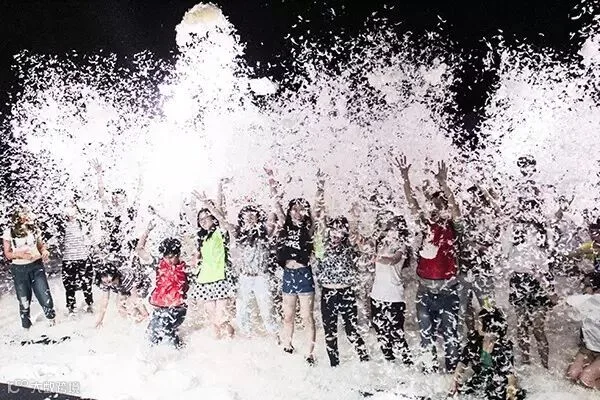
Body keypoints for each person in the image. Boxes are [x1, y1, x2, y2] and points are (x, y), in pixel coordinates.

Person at [392, 154, 461, 373]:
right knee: (426, 334)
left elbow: (455, 208)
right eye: (433, 205)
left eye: (440, 206)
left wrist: (444, 184)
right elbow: (411, 204)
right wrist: (405, 178)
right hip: (424, 289)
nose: (435, 209)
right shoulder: (425, 226)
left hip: (448, 289)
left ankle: (452, 373)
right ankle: (430, 372)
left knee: (450, 335)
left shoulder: (453, 226)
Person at [194, 183, 279, 339]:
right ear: (241, 218)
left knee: (267, 312)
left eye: (252, 214)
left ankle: (276, 339)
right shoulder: (238, 233)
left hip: (262, 277)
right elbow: (221, 218)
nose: (249, 217)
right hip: (244, 278)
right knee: (242, 314)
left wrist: (272, 185)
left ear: (258, 217)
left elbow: (274, 213)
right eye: (246, 215)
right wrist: (207, 204)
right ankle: (247, 341)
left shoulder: (265, 232)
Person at [505, 155, 555, 369]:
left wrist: (547, 284)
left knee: (537, 327)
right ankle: (526, 362)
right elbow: (505, 254)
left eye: (531, 206)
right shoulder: (514, 229)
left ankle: (545, 366)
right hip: (519, 278)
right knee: (522, 325)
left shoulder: (544, 229)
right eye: (525, 207)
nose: (528, 210)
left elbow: (550, 256)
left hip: (539, 280)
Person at [314, 175, 369, 367]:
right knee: (329, 332)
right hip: (328, 293)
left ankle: (365, 359)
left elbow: (355, 224)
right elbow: (319, 216)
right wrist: (320, 187)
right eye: (333, 229)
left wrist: (355, 190)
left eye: (340, 230)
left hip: (346, 292)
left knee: (351, 331)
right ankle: (334, 365)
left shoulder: (349, 248)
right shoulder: (321, 246)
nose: (336, 233)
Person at [267, 168, 317, 365]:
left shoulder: (309, 228)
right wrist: (271, 179)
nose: (297, 212)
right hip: (288, 274)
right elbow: (276, 203)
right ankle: (287, 346)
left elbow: (318, 209)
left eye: (301, 209)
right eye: (293, 209)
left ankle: (310, 353)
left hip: (304, 274)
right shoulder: (285, 226)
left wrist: (321, 186)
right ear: (289, 212)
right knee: (287, 316)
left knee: (306, 317)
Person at [449, 306, 526, 400]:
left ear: (489, 325)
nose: (476, 325)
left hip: (498, 383)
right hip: (480, 380)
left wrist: (510, 393)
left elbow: (510, 374)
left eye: (479, 323)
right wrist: (455, 381)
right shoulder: (474, 341)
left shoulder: (504, 346)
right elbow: (462, 362)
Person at [190, 190, 237, 339]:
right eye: (200, 219)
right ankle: (217, 342)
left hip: (220, 279)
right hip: (204, 280)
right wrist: (195, 260)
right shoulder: (202, 238)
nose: (203, 221)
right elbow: (198, 258)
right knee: (212, 318)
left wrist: (207, 202)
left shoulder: (220, 232)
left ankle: (231, 339)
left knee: (220, 317)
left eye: (206, 217)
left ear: (213, 218)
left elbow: (221, 214)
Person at [2, 206, 56, 329]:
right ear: (17, 216)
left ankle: (52, 322)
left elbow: (41, 246)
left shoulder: (34, 228)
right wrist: (20, 255)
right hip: (19, 270)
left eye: (27, 214)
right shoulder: (9, 232)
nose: (26, 217)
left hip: (36, 266)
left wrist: (44, 251)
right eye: (23, 214)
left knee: (45, 295)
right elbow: (7, 253)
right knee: (24, 300)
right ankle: (26, 327)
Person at [94, 222, 155, 327]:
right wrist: (100, 320)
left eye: (110, 282)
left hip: (141, 283)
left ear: (116, 276)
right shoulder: (105, 279)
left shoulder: (126, 277)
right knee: (120, 307)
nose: (109, 285)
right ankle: (130, 325)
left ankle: (144, 321)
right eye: (106, 283)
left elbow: (135, 298)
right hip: (124, 287)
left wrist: (144, 314)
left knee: (131, 305)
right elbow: (105, 300)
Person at [147, 238, 189, 348]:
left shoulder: (185, 268)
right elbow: (139, 250)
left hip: (178, 308)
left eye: (171, 257)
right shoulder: (159, 264)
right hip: (160, 307)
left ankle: (179, 351)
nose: (168, 260)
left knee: (166, 327)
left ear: (178, 254)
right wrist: (147, 231)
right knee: (152, 332)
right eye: (166, 257)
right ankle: (151, 355)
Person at [566, 272, 600, 389]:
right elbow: (560, 301)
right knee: (572, 375)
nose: (584, 289)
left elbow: (558, 300)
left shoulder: (585, 299)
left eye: (586, 286)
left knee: (586, 379)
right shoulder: (584, 300)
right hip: (589, 349)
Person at [59, 197, 94, 314]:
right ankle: (71, 308)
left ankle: (90, 305)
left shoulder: (83, 223)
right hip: (68, 259)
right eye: (67, 207)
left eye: (72, 206)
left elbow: (91, 237)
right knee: (69, 285)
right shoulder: (61, 225)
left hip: (83, 258)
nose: (70, 209)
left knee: (87, 284)